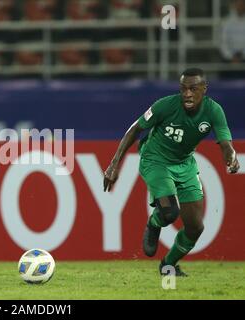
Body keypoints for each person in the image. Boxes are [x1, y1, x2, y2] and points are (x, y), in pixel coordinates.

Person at [103, 68, 240, 276]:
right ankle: (154, 222)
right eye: (183, 88)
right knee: (169, 212)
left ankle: (168, 266)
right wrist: (114, 164)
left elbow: (225, 143)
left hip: (185, 165)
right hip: (155, 161)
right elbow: (135, 129)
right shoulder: (165, 105)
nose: (187, 94)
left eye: (193, 89)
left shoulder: (214, 111)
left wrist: (231, 157)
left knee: (195, 227)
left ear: (204, 89)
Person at [219, 0, 245, 78]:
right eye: (238, 4)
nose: (240, 6)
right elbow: (223, 42)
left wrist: (242, 55)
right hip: (229, 59)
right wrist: (231, 56)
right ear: (234, 5)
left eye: (242, 4)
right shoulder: (226, 22)